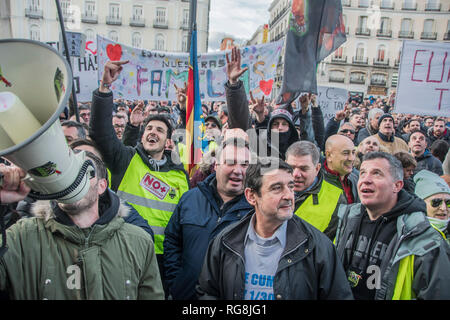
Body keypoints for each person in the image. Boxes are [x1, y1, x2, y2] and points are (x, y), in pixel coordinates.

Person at [0, 156, 164, 300]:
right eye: (67, 173)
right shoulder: (21, 237)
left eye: (84, 173)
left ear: (102, 186)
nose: (73, 181)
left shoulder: (138, 242)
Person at [196, 157, 354, 300]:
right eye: (277, 188)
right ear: (251, 196)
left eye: (290, 187)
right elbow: (207, 292)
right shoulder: (226, 241)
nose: (289, 196)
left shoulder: (317, 246)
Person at [89, 60, 189, 276]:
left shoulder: (180, 176)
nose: (153, 132)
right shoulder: (126, 159)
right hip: (121, 249)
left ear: (168, 141)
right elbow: (100, 132)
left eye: (160, 130)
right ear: (143, 136)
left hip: (162, 260)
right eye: (149, 128)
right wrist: (104, 89)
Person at [335, 152, 450, 300]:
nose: (365, 180)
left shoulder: (424, 237)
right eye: (362, 173)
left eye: (377, 173)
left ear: (397, 185)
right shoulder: (348, 217)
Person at [163, 138, 253, 300]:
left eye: (244, 164)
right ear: (216, 165)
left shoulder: (257, 209)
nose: (238, 170)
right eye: (231, 163)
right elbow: (172, 241)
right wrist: (176, 281)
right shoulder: (189, 199)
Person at [285, 141, 346, 240]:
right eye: (291, 168)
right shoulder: (269, 188)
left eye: (303, 169)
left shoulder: (336, 197)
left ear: (317, 169)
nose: (296, 174)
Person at [414, 170, 450, 241]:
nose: (443, 208)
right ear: (421, 203)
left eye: (448, 202)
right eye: (436, 202)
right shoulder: (411, 235)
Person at [322, 135, 359, 204]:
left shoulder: (357, 179)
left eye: (353, 152)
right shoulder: (316, 182)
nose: (352, 158)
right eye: (345, 153)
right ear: (329, 155)